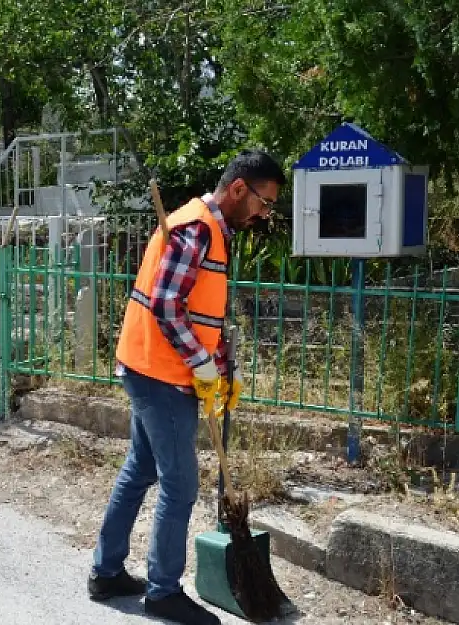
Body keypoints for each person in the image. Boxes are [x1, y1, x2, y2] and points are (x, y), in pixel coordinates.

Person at [86, 150, 286, 624]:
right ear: (239, 189)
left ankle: (106, 571)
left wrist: (219, 366)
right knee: (179, 485)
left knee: (140, 469)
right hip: (161, 373)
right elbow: (166, 304)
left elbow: (198, 308)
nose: (265, 213)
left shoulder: (210, 229)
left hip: (151, 364)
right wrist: (200, 363)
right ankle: (162, 592)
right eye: (264, 201)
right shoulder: (197, 227)